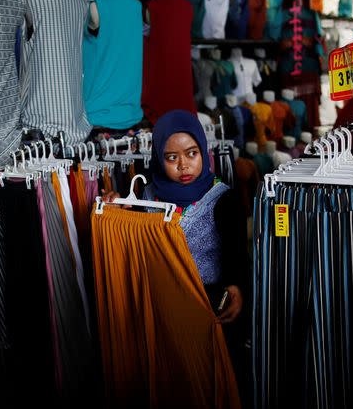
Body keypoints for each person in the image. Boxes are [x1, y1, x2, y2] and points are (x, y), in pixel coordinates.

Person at [101, 110, 248, 324]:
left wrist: (236, 288)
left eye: (191, 153)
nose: (183, 165)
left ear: (203, 152)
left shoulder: (224, 199)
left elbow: (238, 256)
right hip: (160, 310)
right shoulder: (147, 196)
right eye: (172, 157)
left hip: (208, 307)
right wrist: (116, 210)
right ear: (159, 158)